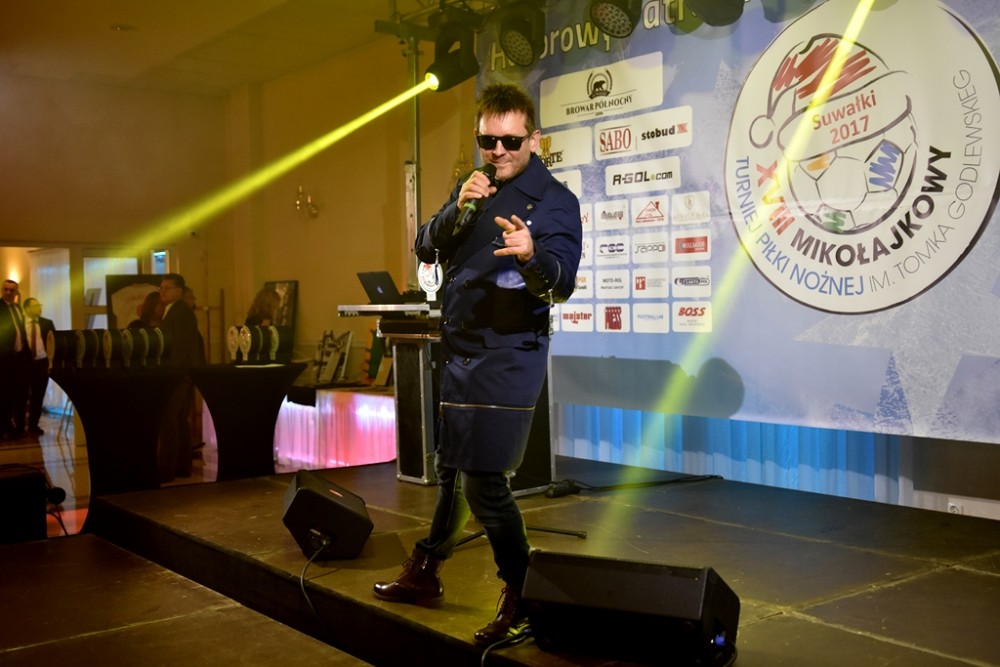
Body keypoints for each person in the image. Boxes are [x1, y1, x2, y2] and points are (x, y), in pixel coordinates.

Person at [372, 83, 582, 645]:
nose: (498, 151)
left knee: (485, 483)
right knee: (450, 470)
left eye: (510, 140)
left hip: (508, 356)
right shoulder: (474, 187)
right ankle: (426, 571)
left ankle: (524, 595)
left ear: (534, 139)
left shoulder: (556, 201)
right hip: (460, 350)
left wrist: (533, 256)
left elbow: (562, 283)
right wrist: (456, 209)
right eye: (488, 140)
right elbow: (425, 245)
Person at [157, 273, 205, 481]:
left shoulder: (181, 312)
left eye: (166, 288)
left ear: (178, 291)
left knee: (170, 419)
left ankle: (167, 467)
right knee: (178, 419)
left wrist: (170, 373)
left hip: (178, 375)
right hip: (181, 374)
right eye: (161, 288)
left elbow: (181, 347)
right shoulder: (175, 310)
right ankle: (181, 466)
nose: (162, 292)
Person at [0, 279, 31, 439]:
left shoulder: (18, 308)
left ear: (16, 292)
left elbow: (21, 332)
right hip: (4, 359)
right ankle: (3, 427)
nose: (8, 293)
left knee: (17, 393)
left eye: (11, 290)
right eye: (5, 289)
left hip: (19, 359)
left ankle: (14, 425)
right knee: (3, 394)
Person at [21, 297, 54, 436]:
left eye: (40, 305)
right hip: (25, 364)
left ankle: (33, 425)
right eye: (36, 306)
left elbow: (53, 342)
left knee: (38, 395)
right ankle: (20, 426)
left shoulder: (47, 323)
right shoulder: (20, 323)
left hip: (42, 362)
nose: (39, 308)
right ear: (27, 308)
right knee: (22, 395)